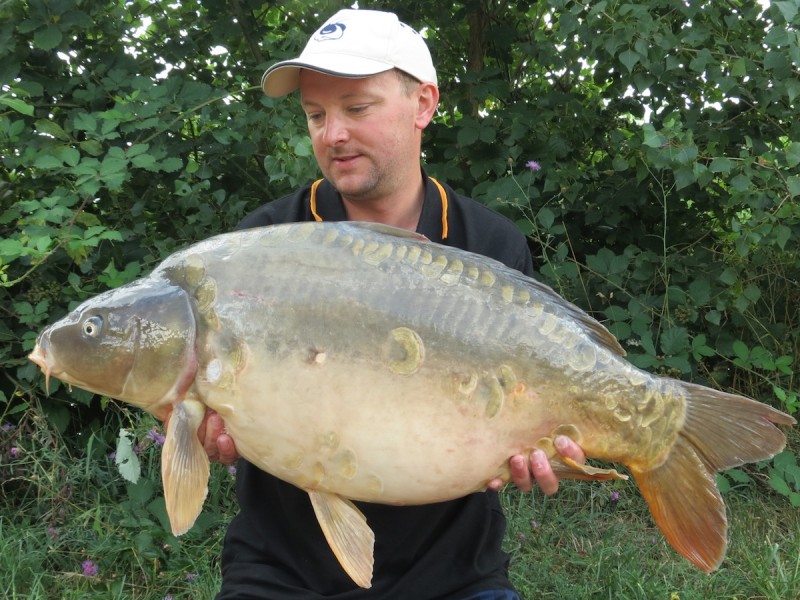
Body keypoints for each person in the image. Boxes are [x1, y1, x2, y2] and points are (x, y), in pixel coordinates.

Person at [203, 9, 585, 599]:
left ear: (423, 105)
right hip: (281, 571)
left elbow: (532, 399)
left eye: (356, 108)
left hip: (454, 574)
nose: (332, 134)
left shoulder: (490, 244)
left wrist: (547, 446)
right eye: (315, 115)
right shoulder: (266, 243)